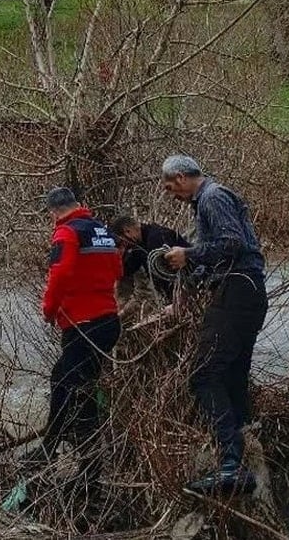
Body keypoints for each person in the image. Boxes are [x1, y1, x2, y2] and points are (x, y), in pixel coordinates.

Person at [160, 155, 267, 496]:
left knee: (204, 374)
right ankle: (239, 463)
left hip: (237, 290)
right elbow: (224, 252)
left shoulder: (213, 196)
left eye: (169, 185)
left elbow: (233, 244)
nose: (170, 193)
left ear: (180, 177)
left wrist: (188, 255)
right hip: (246, 291)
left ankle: (230, 465)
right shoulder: (210, 199)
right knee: (232, 375)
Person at [36, 187, 124, 464]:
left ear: (54, 212)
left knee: (72, 385)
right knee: (68, 379)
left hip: (83, 323)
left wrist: (49, 310)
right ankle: (65, 449)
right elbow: (118, 271)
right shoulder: (102, 231)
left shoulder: (66, 233)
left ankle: (78, 461)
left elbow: (59, 274)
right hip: (109, 321)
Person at [109, 214, 190, 302]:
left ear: (127, 231)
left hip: (186, 290)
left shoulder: (157, 238)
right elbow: (127, 268)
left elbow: (169, 275)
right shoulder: (139, 246)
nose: (124, 245)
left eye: (122, 242)